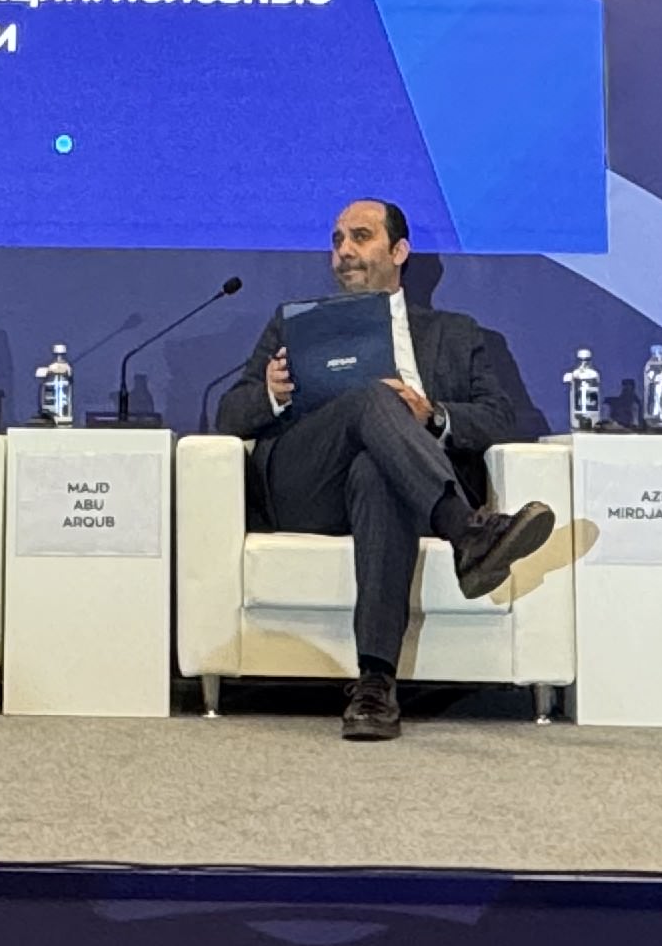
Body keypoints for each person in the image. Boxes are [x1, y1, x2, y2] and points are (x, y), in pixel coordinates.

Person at [212, 199, 555, 742]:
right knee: (374, 396)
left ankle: (374, 685)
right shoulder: (295, 325)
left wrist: (431, 415)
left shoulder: (455, 332)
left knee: (377, 472)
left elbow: (498, 417)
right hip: (309, 486)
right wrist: (272, 394)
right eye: (337, 240)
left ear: (399, 251)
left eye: (360, 237)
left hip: (399, 489)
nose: (344, 251)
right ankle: (466, 530)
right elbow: (229, 415)